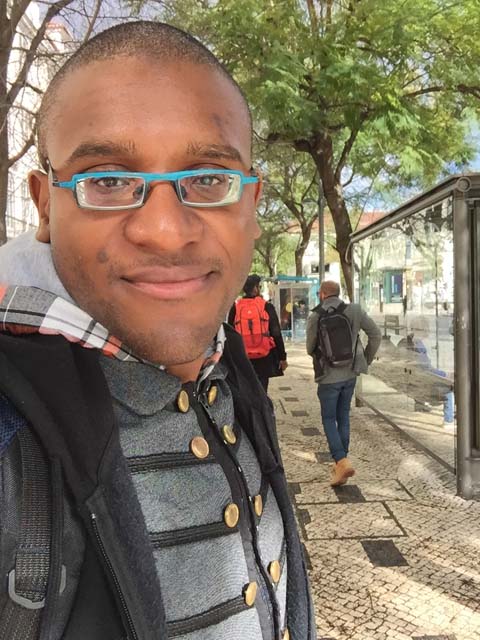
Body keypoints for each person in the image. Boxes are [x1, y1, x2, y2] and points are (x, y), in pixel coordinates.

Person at [0, 22, 315, 640]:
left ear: (252, 205)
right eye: (108, 180)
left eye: (209, 179)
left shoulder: (229, 367)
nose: (166, 233)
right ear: (45, 204)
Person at [306, 281, 381, 486]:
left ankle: (341, 461)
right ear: (338, 294)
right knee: (343, 416)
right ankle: (342, 462)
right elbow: (376, 334)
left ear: (322, 294)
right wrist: (365, 359)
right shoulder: (355, 310)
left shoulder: (315, 316)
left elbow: (309, 348)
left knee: (329, 418)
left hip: (328, 377)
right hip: (350, 375)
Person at [228, 274, 287, 392]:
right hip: (264, 357)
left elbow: (230, 334)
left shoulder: (236, 307)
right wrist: (282, 357)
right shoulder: (266, 306)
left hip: (243, 358)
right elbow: (276, 333)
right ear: (255, 288)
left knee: (247, 391)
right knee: (262, 390)